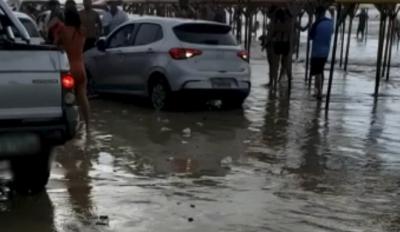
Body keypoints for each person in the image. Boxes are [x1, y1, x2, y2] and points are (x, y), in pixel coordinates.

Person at [54, 8, 90, 130]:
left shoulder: (63, 30)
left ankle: (75, 126)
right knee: (83, 98)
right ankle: (88, 126)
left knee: (69, 100)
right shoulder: (82, 31)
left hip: (68, 68)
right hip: (81, 68)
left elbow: (55, 44)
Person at [309, 6, 333, 100]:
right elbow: (332, 32)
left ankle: (318, 92)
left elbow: (311, 37)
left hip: (316, 52)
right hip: (326, 52)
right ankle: (319, 90)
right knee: (321, 71)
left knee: (317, 72)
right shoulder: (330, 23)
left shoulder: (316, 23)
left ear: (317, 14)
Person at [268, 7, 292, 90]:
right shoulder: (289, 24)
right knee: (285, 65)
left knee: (275, 65)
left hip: (278, 44)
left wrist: (267, 42)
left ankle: (274, 84)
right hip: (286, 44)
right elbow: (291, 35)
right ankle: (288, 83)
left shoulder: (275, 24)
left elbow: (271, 35)